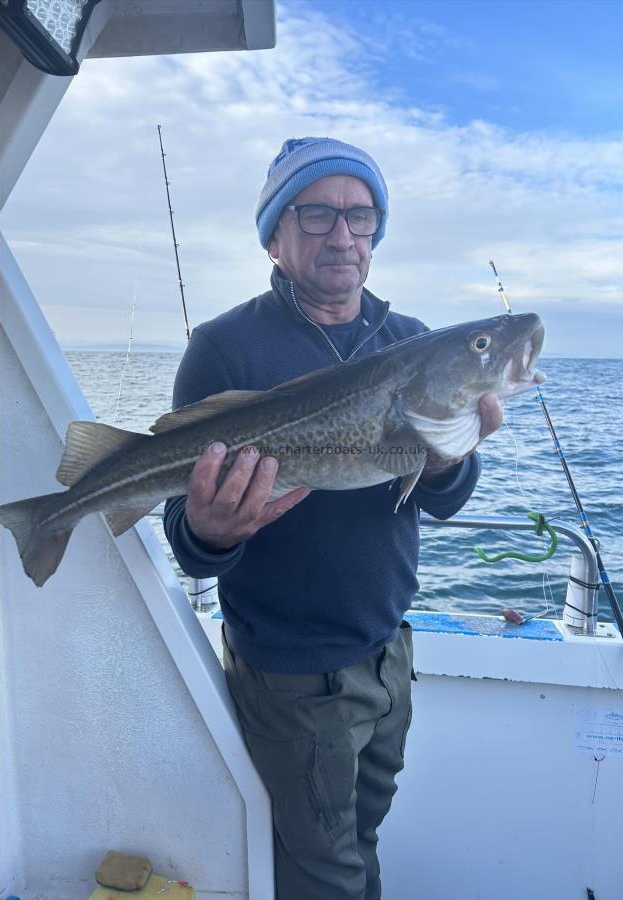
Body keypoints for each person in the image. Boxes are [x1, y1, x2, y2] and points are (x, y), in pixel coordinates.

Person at [164, 137, 503, 900]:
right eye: (315, 214)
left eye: (361, 216)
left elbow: (440, 499)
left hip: (387, 649)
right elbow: (186, 535)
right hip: (292, 670)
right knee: (325, 872)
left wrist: (447, 458)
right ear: (274, 235)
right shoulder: (223, 348)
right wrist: (212, 530)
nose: (342, 235)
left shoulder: (410, 342)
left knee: (358, 842)